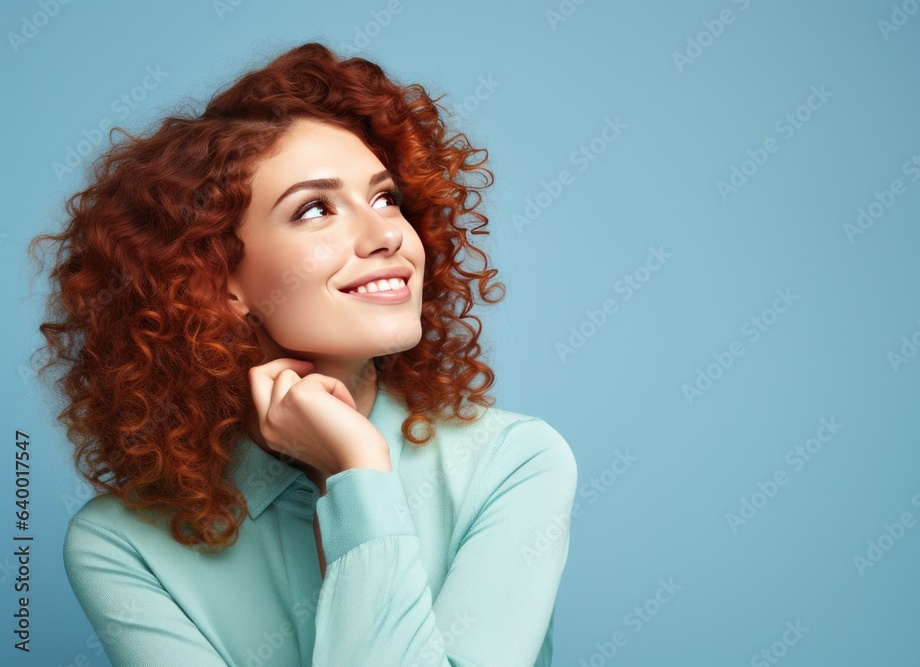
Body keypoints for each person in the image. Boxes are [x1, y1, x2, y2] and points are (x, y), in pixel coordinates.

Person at [29, 41, 578, 666]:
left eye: (385, 198)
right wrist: (356, 473)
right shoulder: (121, 546)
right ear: (218, 278)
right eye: (315, 208)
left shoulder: (513, 464)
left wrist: (356, 474)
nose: (386, 235)